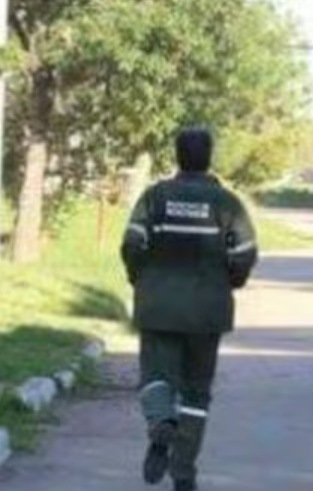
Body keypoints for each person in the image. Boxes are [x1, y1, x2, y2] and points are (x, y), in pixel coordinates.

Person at [120, 127, 258, 491]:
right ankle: (183, 475)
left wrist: (141, 279)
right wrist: (231, 281)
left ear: (177, 156)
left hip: (158, 306)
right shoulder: (227, 203)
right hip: (207, 312)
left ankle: (160, 423)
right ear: (209, 157)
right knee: (196, 394)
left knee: (155, 377)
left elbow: (132, 244)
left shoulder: (155, 196)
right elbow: (244, 253)